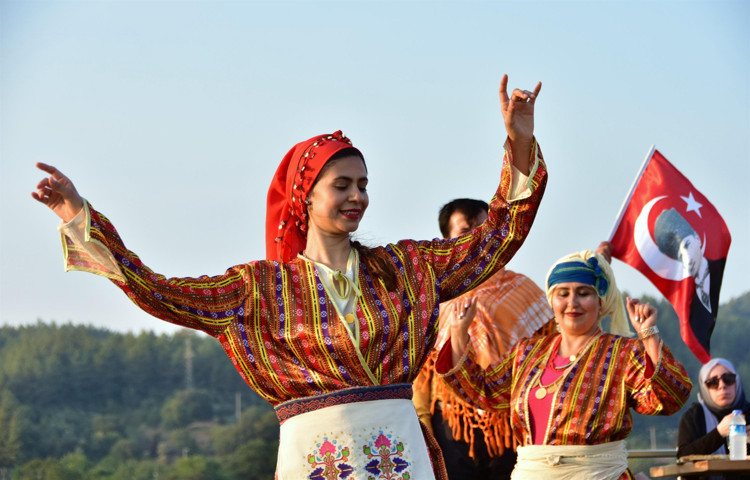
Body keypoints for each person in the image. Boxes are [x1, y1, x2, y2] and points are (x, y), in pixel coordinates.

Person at [32, 75, 547, 479]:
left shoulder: (407, 269)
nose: (358, 196)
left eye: (363, 184)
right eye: (342, 185)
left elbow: (496, 237)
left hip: (401, 456)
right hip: (315, 458)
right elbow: (157, 291)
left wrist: (519, 142)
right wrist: (78, 217)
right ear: (307, 197)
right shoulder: (257, 290)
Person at [435, 249, 693, 479]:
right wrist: (459, 332)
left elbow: (669, 398)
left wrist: (649, 336)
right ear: (551, 300)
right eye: (563, 294)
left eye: (584, 293)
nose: (572, 303)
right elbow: (484, 392)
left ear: (600, 300)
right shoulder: (527, 352)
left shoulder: (623, 352)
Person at [413, 197, 553, 479]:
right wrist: (422, 421)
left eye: (483, 229)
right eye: (466, 231)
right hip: (451, 420)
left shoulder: (522, 289)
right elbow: (422, 368)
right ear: (447, 242)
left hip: (510, 418)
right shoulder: (434, 296)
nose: (476, 238)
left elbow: (550, 351)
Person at [677, 358, 749, 478]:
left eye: (728, 379)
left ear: (737, 382)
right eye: (712, 382)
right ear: (704, 388)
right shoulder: (694, 416)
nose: (722, 386)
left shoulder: (748, 413)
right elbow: (683, 457)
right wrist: (719, 433)